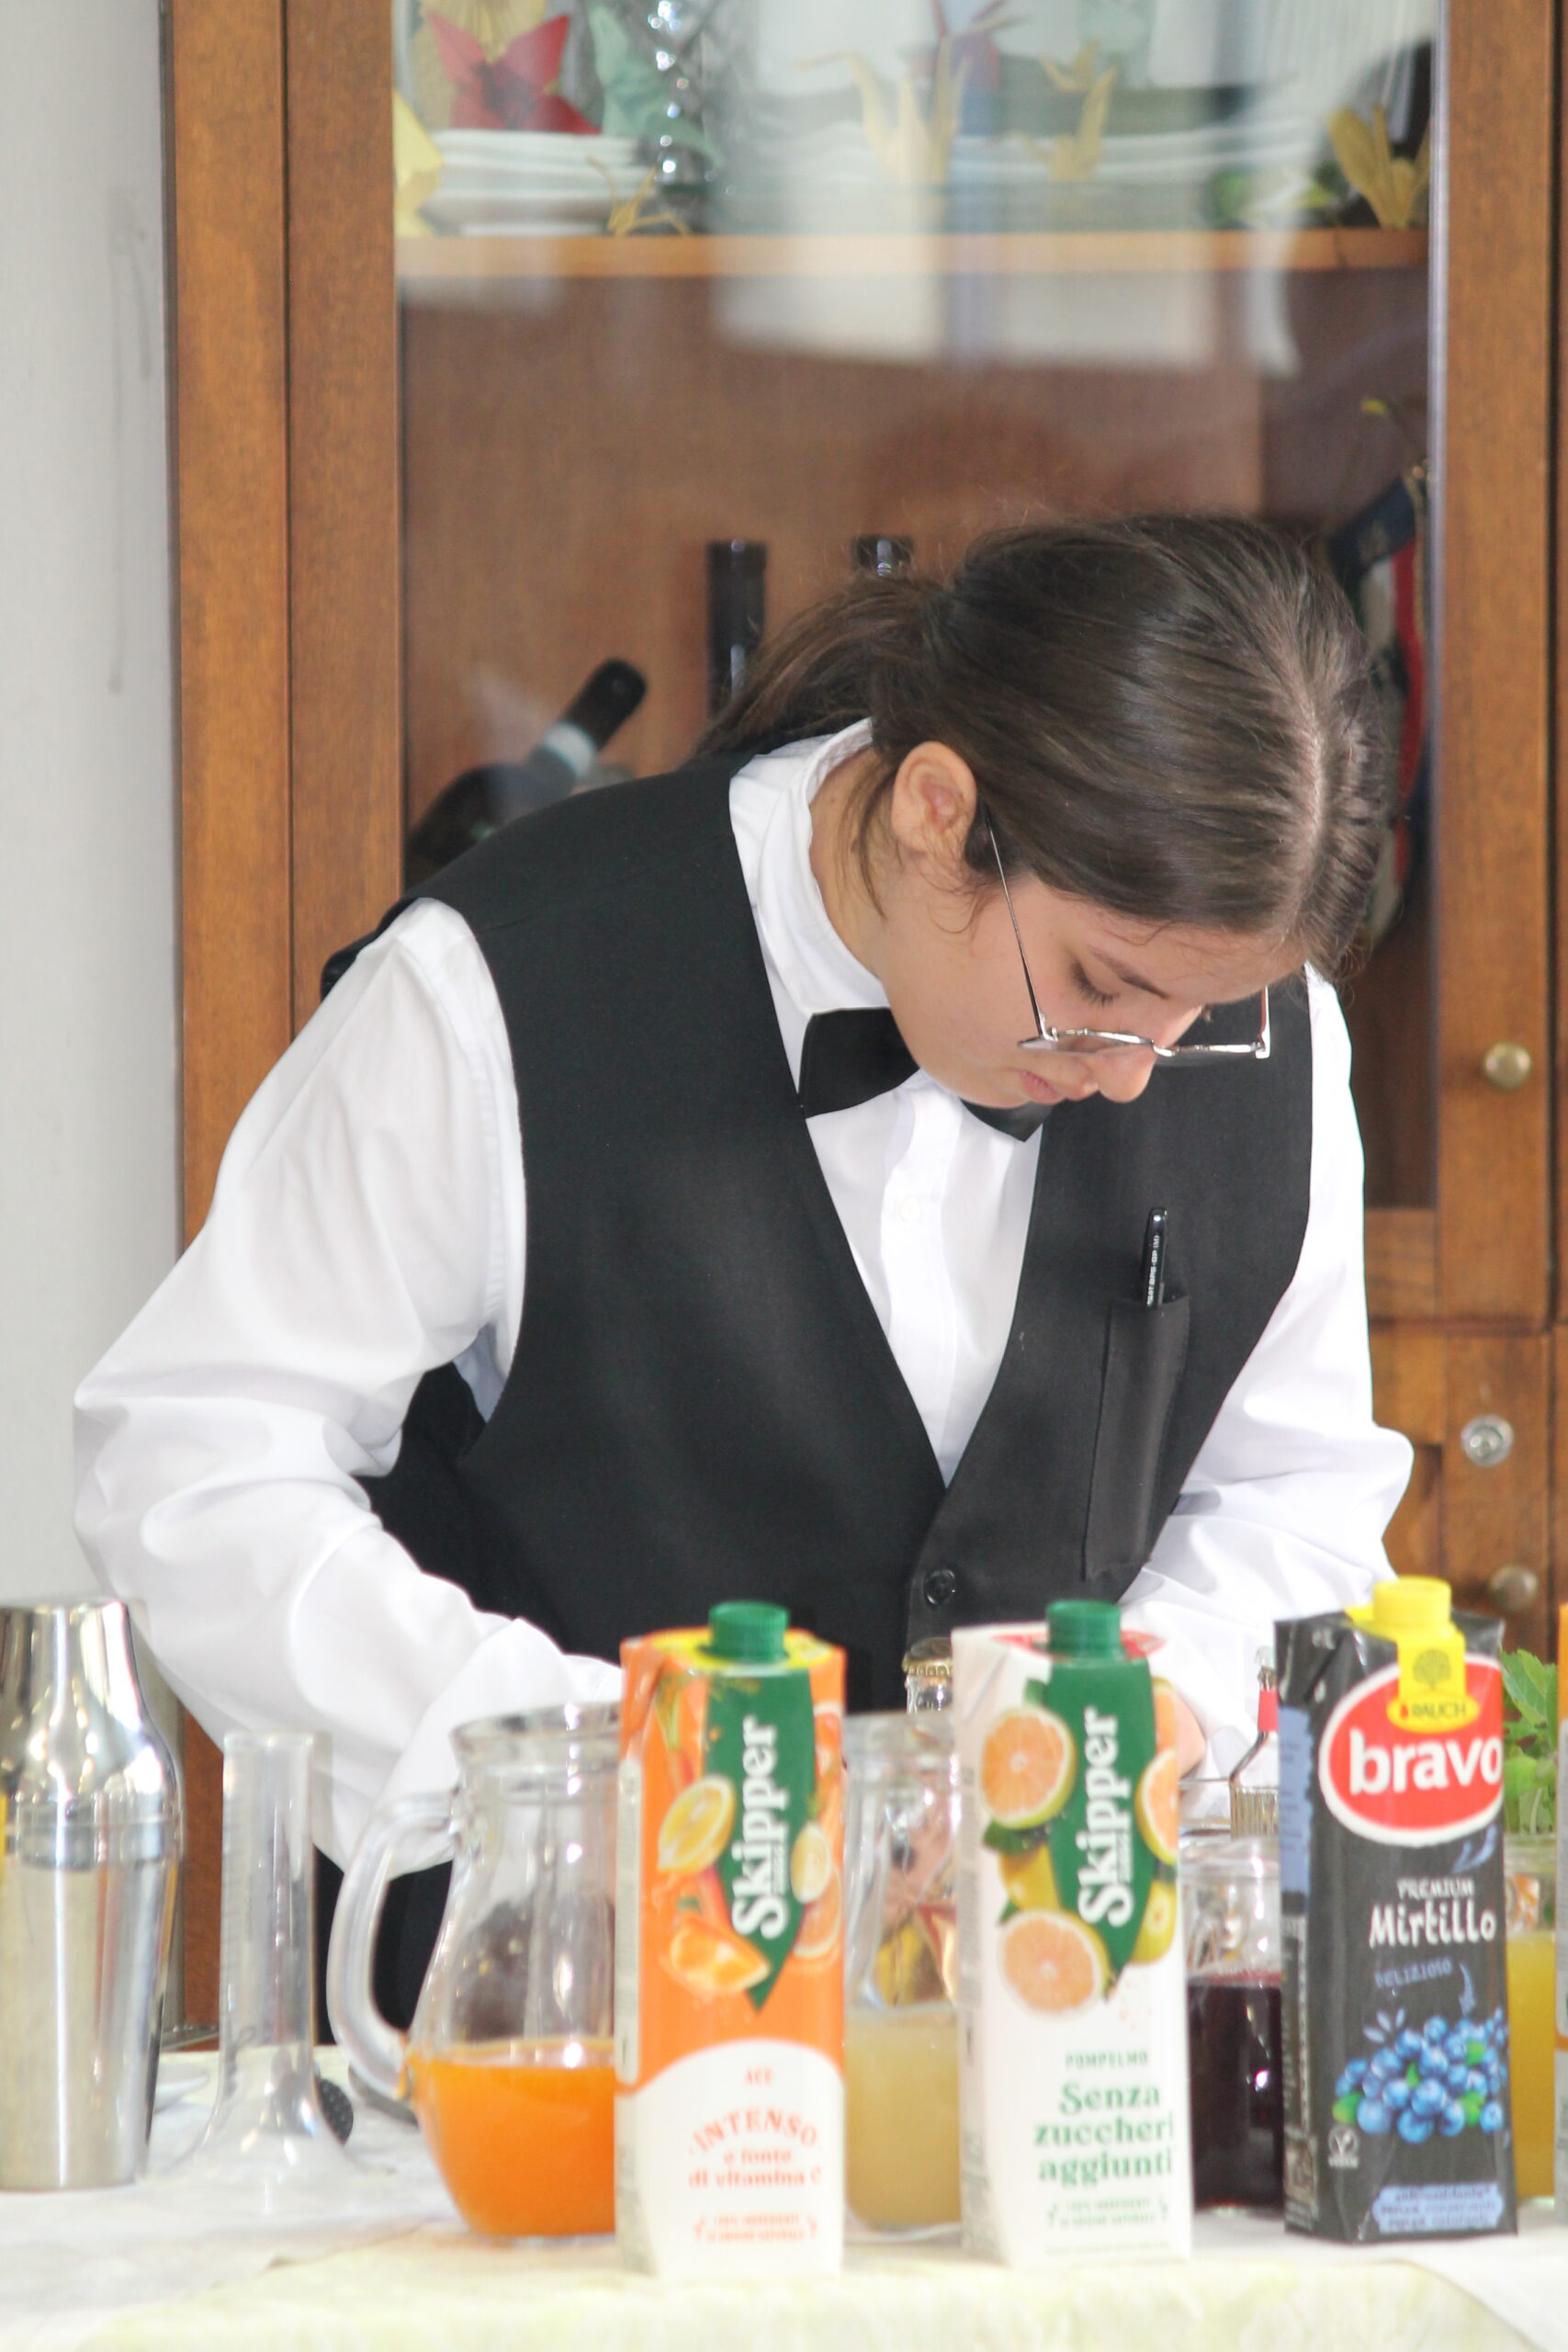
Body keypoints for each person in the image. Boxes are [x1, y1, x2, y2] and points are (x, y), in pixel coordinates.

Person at [75, 514, 1411, 2017]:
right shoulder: (496, 986)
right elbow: (192, 1459)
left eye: (1199, 1021)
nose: (1133, 1076)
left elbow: (1292, 1491)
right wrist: (578, 1764)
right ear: (937, 811)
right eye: (1100, 990)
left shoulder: (1248, 1030)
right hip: (563, 2012)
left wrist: (1159, 1703)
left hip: (1048, 2034)